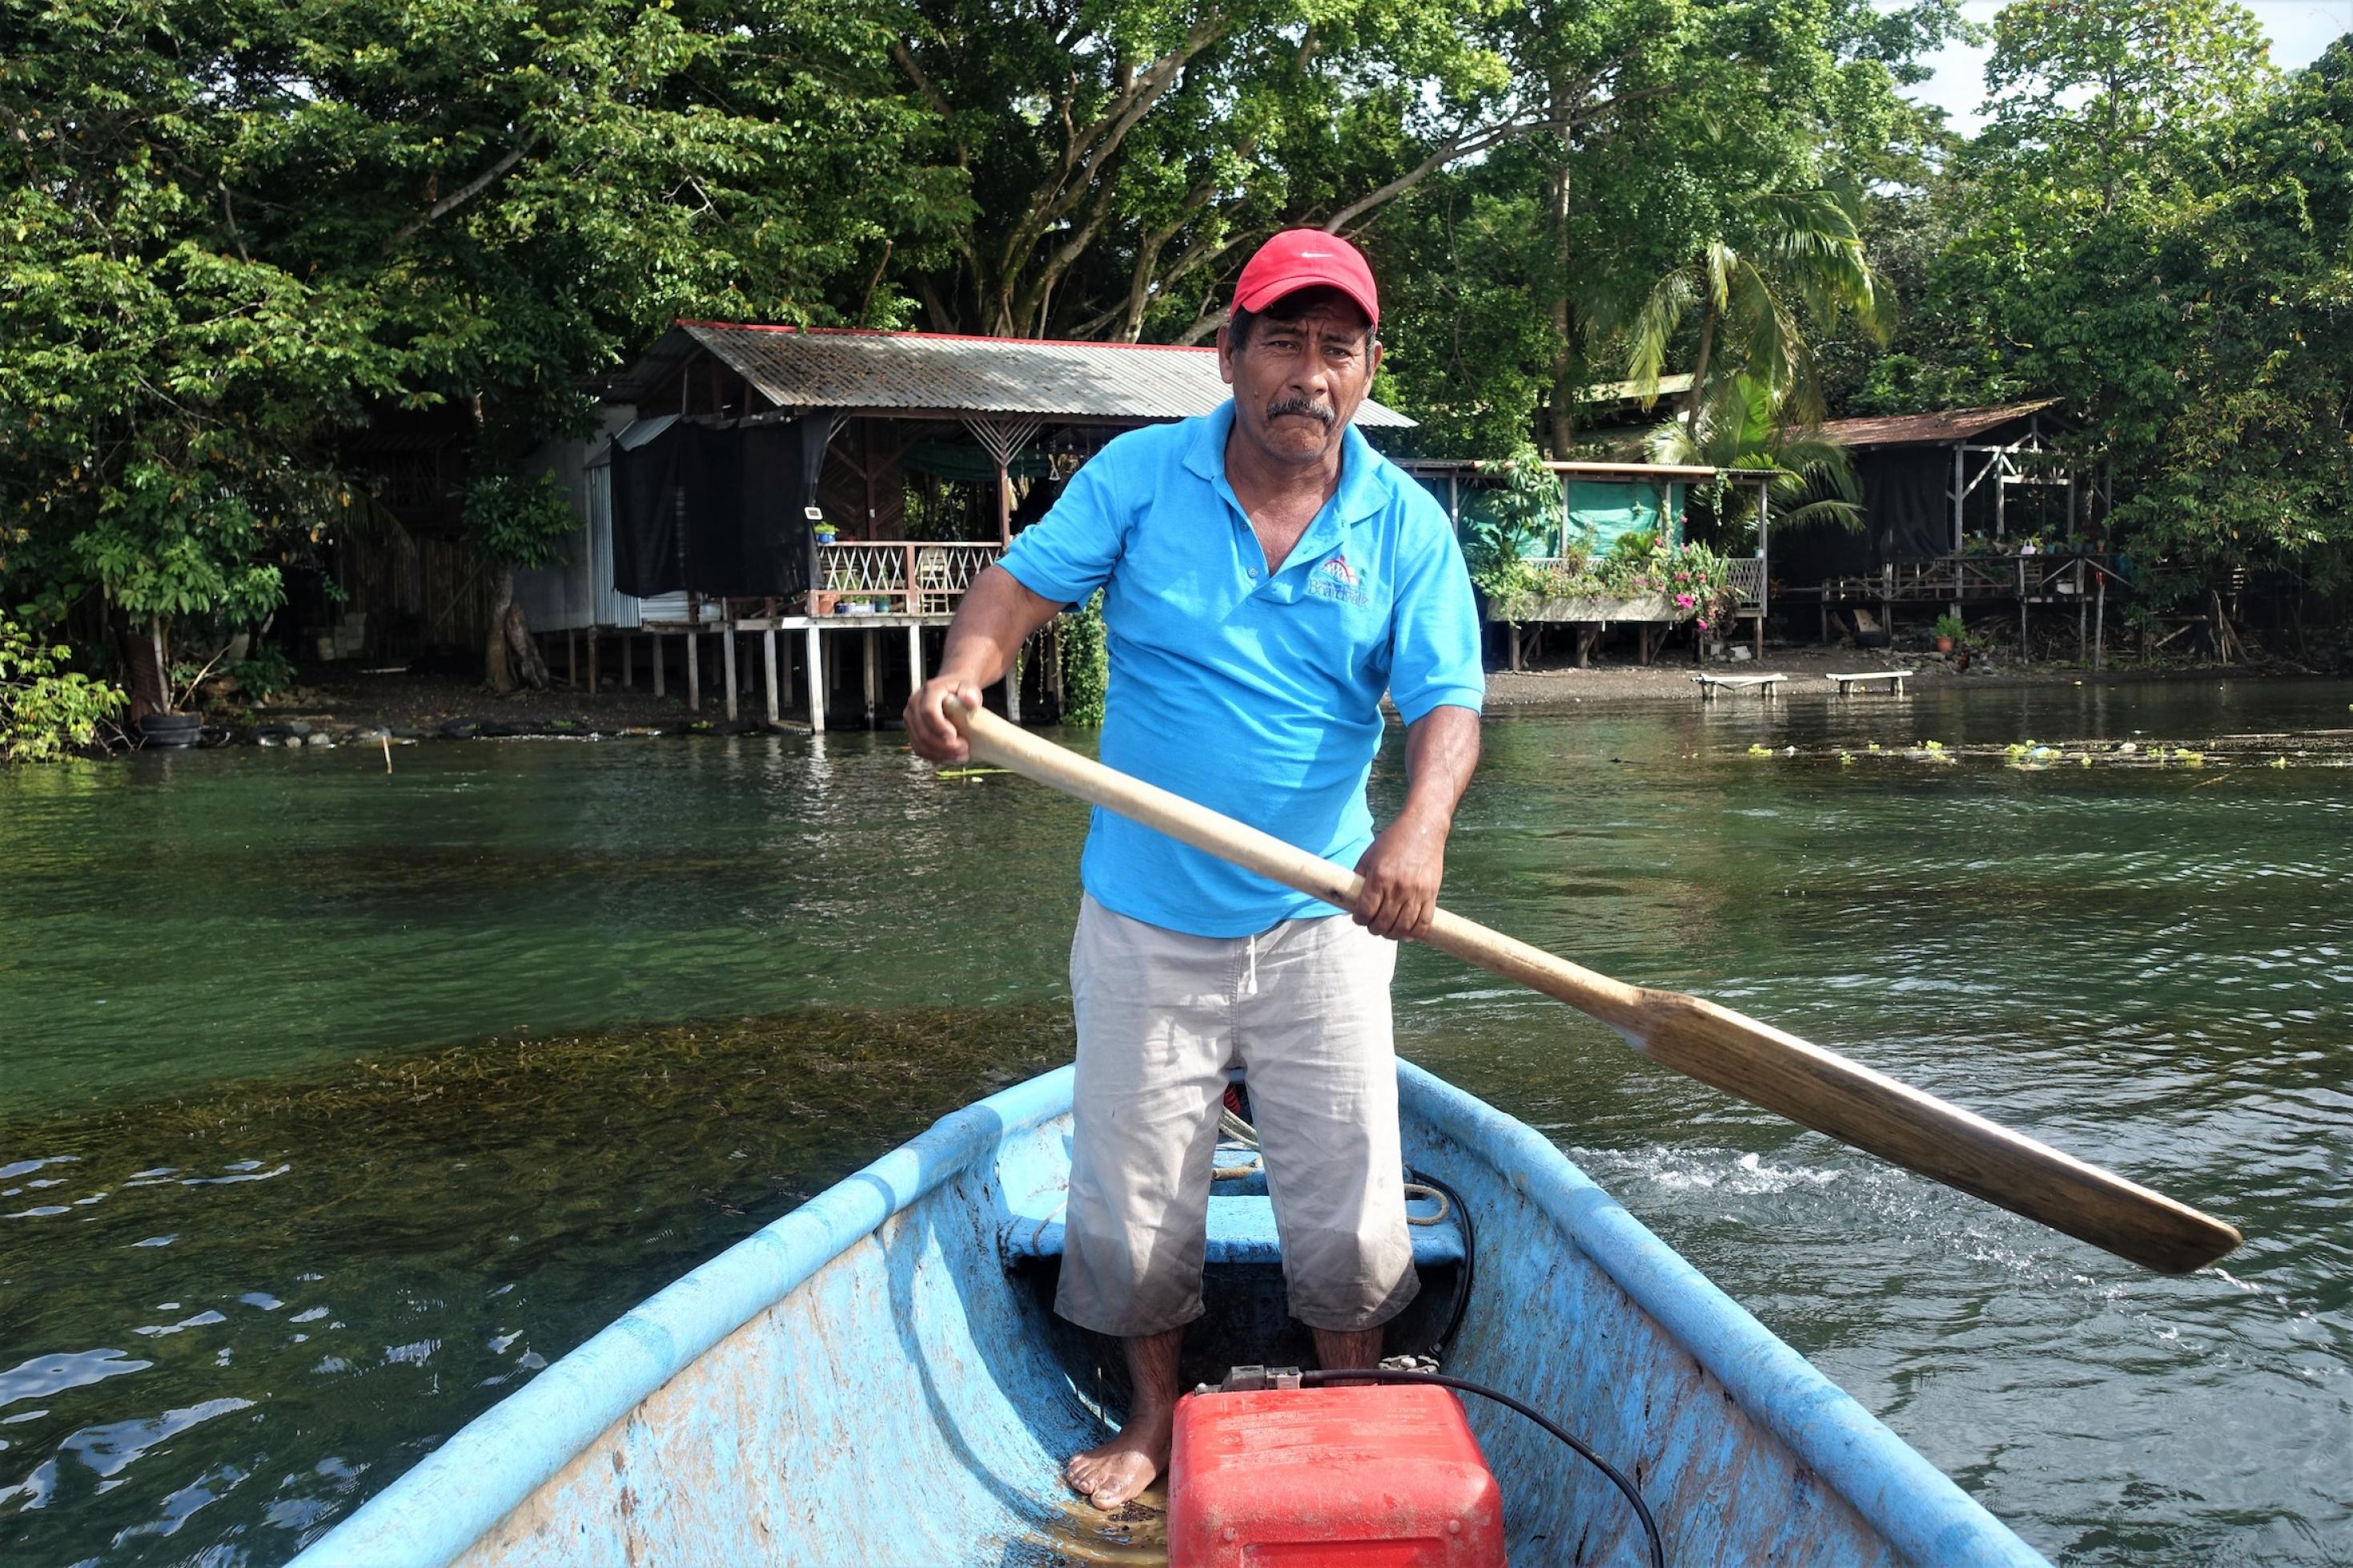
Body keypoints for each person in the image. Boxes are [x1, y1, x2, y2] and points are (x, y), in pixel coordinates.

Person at [905, 230, 1484, 1510]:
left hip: (1322, 915)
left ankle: (1347, 1397)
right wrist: (962, 676)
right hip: (1145, 918)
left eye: (1340, 350)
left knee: (1347, 1200)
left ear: (1369, 368)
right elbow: (1015, 592)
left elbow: (1446, 701)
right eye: (1283, 342)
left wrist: (1423, 827)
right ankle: (1156, 1417)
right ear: (1228, 355)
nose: (1310, 375)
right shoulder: (1139, 476)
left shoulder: (1404, 524)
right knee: (1131, 1194)